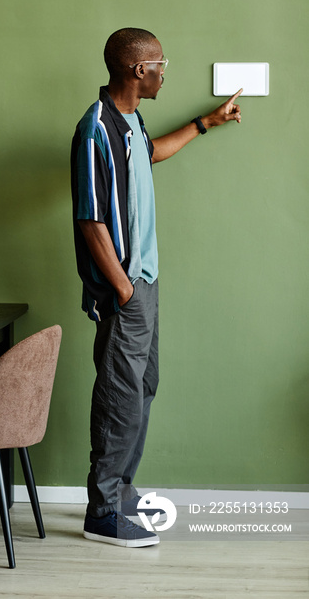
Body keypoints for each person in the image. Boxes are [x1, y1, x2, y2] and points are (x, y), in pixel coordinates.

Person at [70, 27, 242, 548]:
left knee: (144, 388)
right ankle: (101, 512)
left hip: (145, 282)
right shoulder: (95, 129)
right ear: (137, 70)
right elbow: (91, 221)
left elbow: (150, 155)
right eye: (161, 63)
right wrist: (122, 289)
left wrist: (204, 124)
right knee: (121, 396)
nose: (166, 70)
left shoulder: (129, 123)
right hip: (126, 289)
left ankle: (121, 492)